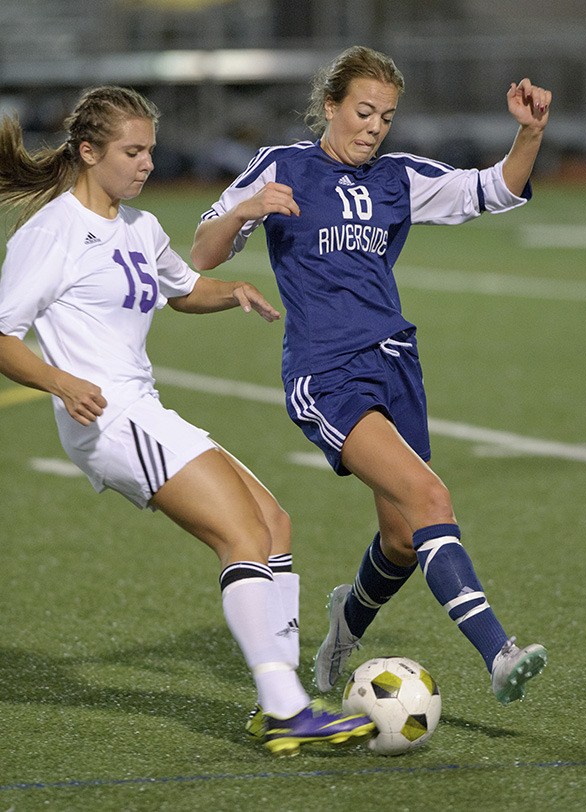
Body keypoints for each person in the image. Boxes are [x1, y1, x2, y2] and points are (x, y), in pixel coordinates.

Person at [0, 85, 376, 755]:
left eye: (150, 150)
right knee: (239, 533)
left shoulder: (139, 227)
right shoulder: (52, 232)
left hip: (142, 407)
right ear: (89, 152)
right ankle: (285, 708)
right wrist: (58, 380)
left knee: (272, 523)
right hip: (108, 418)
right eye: (131, 151)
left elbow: (181, 288)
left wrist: (229, 291)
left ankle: (281, 697)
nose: (146, 164)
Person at [190, 46, 551, 706]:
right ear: (330, 107)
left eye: (385, 116)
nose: (373, 127)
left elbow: (496, 190)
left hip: (396, 366)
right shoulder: (283, 166)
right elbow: (202, 250)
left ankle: (342, 630)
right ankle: (500, 654)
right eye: (362, 111)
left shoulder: (399, 178)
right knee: (431, 501)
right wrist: (245, 211)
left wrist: (529, 132)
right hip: (327, 373)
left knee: (401, 538)